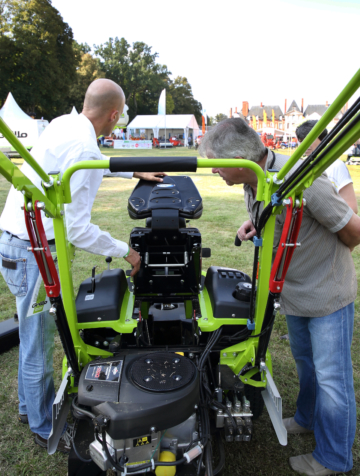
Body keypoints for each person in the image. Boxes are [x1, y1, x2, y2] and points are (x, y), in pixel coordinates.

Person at [0, 79, 165, 454]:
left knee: (33, 336)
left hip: (19, 242)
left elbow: (88, 163)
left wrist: (131, 172)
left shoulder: (65, 124)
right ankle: (43, 426)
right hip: (32, 250)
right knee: (37, 345)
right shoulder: (82, 143)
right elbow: (77, 229)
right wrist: (128, 251)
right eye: (120, 116)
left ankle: (30, 409)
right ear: (114, 114)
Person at [199, 118, 360, 476]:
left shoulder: (303, 180)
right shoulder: (257, 179)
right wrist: (258, 225)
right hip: (296, 293)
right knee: (307, 363)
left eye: (216, 163)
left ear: (239, 160)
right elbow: (282, 217)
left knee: (333, 379)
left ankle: (334, 459)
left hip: (326, 294)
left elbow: (353, 232)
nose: (213, 170)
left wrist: (326, 264)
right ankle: (306, 417)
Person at [296, 120, 358, 213]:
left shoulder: (336, 166)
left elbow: (352, 208)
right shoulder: (302, 166)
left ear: (323, 139)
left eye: (309, 140)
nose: (304, 145)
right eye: (301, 141)